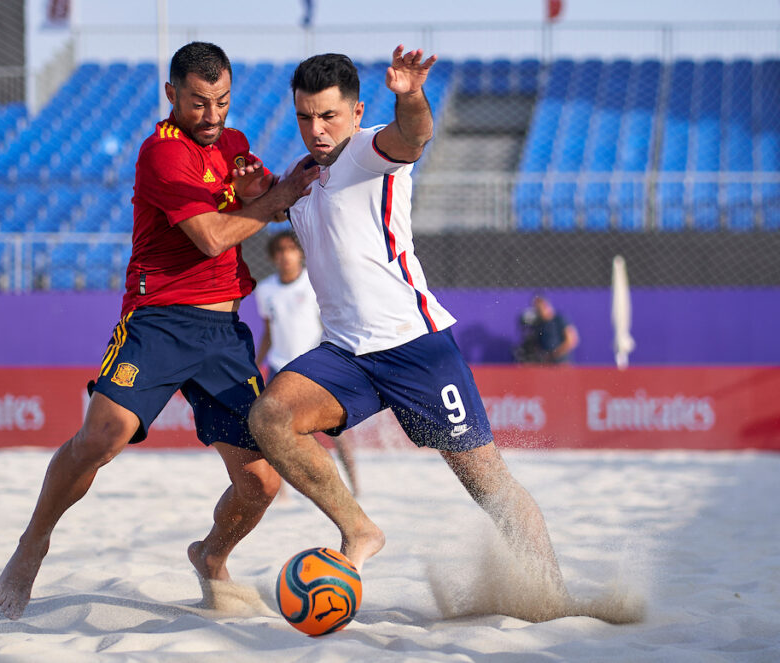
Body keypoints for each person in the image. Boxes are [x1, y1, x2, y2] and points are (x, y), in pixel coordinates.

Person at [0, 41, 318, 621]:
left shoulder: (235, 143)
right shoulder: (161, 153)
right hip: (160, 318)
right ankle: (33, 542)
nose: (213, 115)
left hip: (223, 332)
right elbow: (214, 237)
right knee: (101, 438)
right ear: (172, 95)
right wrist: (275, 197)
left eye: (222, 101)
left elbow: (268, 201)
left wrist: (263, 192)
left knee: (262, 484)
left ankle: (211, 556)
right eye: (198, 102)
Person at [248, 47, 568, 600]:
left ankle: (554, 597)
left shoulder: (372, 149)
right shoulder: (301, 178)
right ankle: (359, 530)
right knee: (271, 418)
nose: (316, 129)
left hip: (416, 348)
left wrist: (412, 95)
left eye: (328, 115)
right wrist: (258, 187)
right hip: (346, 353)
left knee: (487, 483)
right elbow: (272, 205)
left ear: (356, 110)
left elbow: (414, 134)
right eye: (305, 117)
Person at [253, 230, 359, 496]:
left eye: (290, 249)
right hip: (279, 365)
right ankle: (281, 493)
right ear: (273, 257)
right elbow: (268, 330)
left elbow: (329, 323)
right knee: (271, 430)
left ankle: (355, 485)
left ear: (300, 253)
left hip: (313, 364)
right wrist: (256, 362)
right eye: (280, 251)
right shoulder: (265, 289)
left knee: (336, 430)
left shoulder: (313, 283)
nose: (286, 255)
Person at [513, 294, 580, 364]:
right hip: (547, 364)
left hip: (562, 363)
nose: (538, 311)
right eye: (536, 309)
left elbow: (571, 340)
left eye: (539, 308)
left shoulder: (559, 319)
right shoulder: (539, 323)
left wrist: (555, 354)